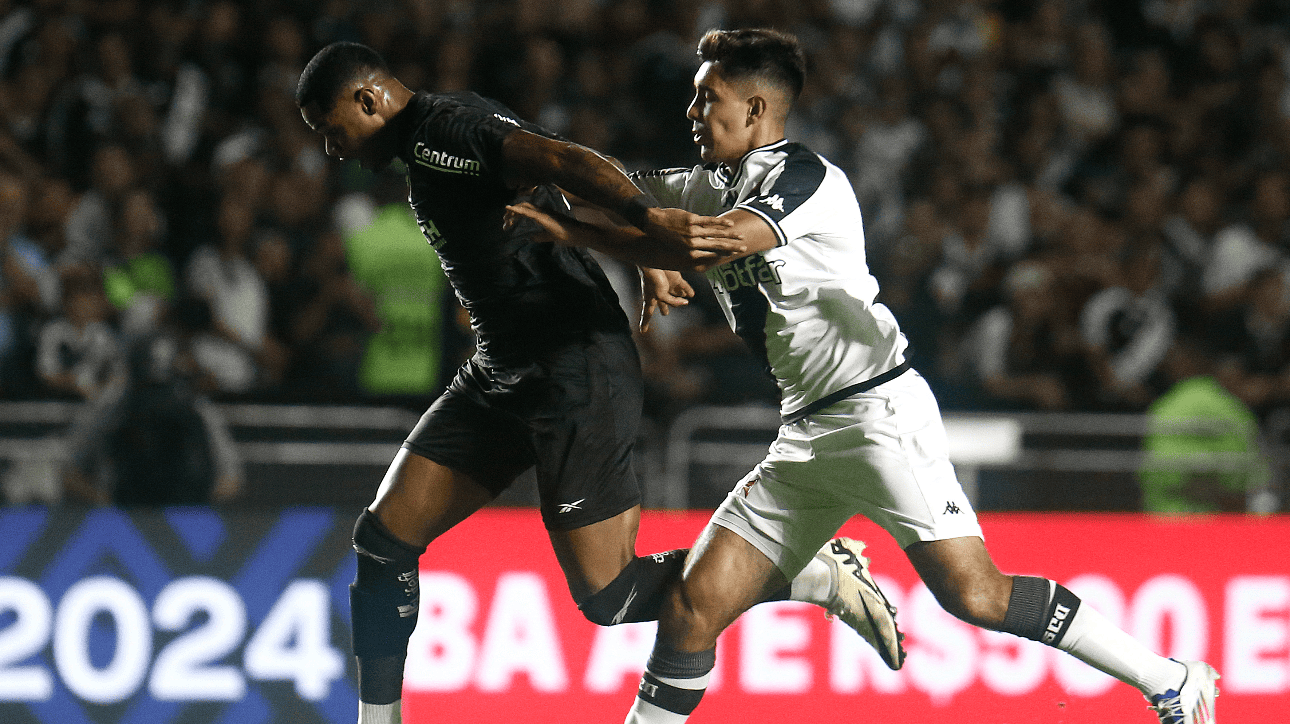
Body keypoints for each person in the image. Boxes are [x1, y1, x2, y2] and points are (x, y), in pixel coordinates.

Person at [506, 28, 1219, 724]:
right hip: (805, 432)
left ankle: (1172, 681)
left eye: (707, 98)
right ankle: (818, 579)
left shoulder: (807, 179)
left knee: (976, 596)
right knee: (694, 608)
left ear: (755, 109)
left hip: (877, 414)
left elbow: (709, 241)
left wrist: (596, 235)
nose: (692, 114)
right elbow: (609, 189)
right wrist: (530, 176)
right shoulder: (699, 183)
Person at [295, 42, 904, 724]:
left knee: (609, 597)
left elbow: (566, 162)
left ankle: (814, 574)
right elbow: (557, 162)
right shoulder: (444, 136)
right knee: (381, 542)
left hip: (574, 369)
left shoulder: (442, 134)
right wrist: (644, 256)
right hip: (503, 371)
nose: (331, 149)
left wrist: (648, 224)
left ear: (369, 99)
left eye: (330, 130)